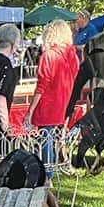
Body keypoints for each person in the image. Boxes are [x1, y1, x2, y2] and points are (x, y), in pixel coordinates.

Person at [25, 19, 81, 169]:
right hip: (65, 101)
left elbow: (41, 86)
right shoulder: (73, 56)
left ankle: (46, 174)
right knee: (51, 138)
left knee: (45, 139)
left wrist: (30, 110)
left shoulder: (49, 56)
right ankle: (50, 170)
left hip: (48, 103)